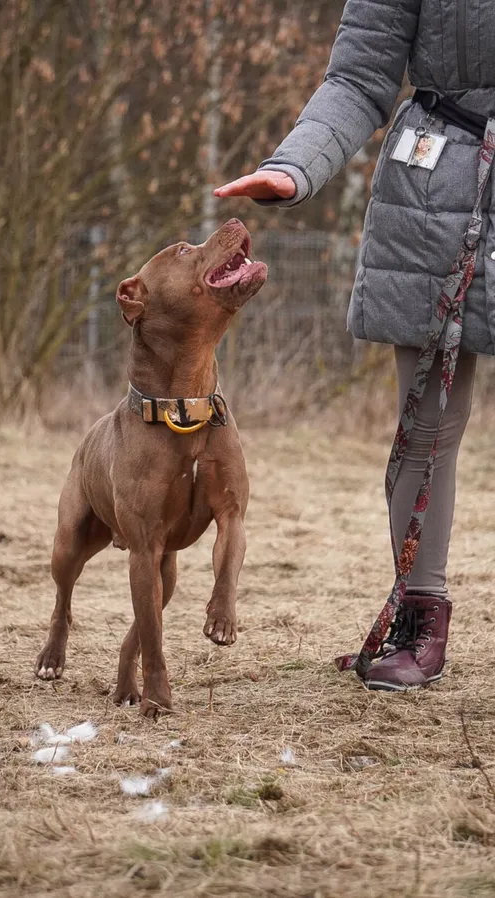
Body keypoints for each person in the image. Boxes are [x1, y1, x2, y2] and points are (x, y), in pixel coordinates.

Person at [215, 0, 495, 691]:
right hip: (437, 194)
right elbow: (360, 76)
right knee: (425, 426)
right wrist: (295, 167)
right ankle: (418, 614)